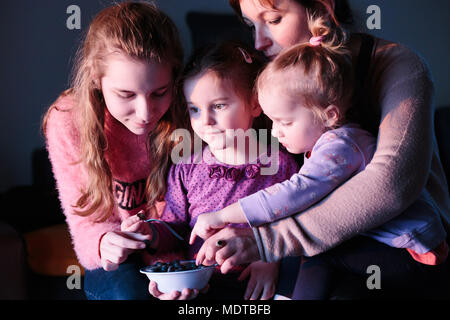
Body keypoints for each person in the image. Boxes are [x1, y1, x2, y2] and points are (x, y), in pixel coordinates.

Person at [191, 0, 450, 298]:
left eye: (273, 20)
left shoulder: (400, 65)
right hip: (332, 240)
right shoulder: (277, 75)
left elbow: (390, 186)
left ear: (323, 8)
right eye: (251, 26)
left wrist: (264, 241)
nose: (259, 42)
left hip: (410, 246)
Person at [124, 41, 299, 300]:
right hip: (203, 284)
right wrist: (150, 233)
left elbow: (297, 227)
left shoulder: (281, 165)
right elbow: (175, 229)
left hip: (260, 284)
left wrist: (270, 259)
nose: (204, 121)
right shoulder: (186, 169)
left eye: (218, 106)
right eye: (194, 109)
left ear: (254, 103)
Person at [42, 2, 184, 300]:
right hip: (115, 261)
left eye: (160, 92)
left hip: (176, 246)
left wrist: (160, 244)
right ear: (96, 78)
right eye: (126, 95)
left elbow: (198, 208)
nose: (146, 113)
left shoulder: (187, 107)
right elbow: (84, 225)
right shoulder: (68, 119)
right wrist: (105, 242)